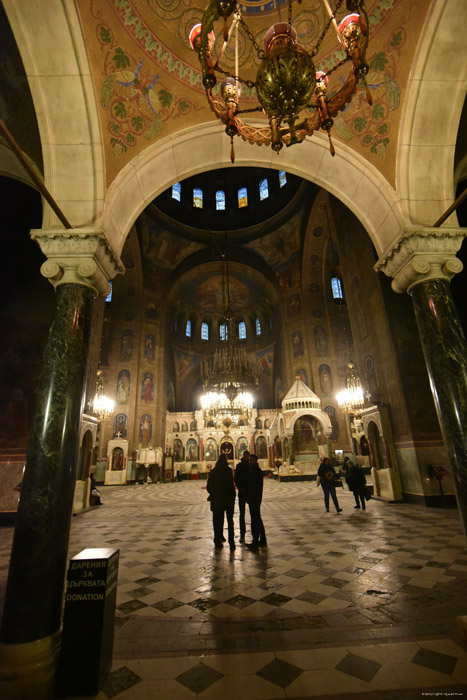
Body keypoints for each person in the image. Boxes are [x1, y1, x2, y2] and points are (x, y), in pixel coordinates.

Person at [206, 454, 236, 550]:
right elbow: (231, 485)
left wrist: (214, 494)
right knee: (230, 520)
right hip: (228, 500)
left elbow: (209, 486)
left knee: (217, 520)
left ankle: (217, 539)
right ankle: (231, 542)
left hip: (217, 500)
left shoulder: (214, 471)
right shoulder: (227, 470)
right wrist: (232, 496)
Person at [245, 454, 267, 550]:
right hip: (254, 497)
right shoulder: (253, 470)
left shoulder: (256, 471)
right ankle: (262, 539)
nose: (250, 462)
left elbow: (254, 486)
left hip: (254, 498)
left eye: (251, 460)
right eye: (249, 460)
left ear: (255, 461)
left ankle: (255, 541)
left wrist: (250, 496)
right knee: (257, 517)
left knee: (255, 518)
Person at [234, 450, 250, 543]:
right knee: (242, 514)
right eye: (245, 456)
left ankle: (255, 534)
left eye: (247, 456)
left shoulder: (251, 466)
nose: (246, 457)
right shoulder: (239, 466)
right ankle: (242, 534)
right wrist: (240, 487)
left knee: (254, 513)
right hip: (242, 492)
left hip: (250, 493)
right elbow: (236, 478)